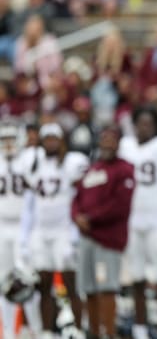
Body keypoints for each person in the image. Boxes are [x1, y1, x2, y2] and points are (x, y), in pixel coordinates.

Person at [19, 123, 89, 339]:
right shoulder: (32, 162)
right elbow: (29, 201)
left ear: (61, 141)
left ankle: (78, 329)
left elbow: (82, 194)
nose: (50, 142)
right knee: (44, 285)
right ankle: (46, 331)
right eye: (46, 138)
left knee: (71, 283)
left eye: (54, 138)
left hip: (64, 230)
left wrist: (76, 233)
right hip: (41, 231)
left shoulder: (71, 162)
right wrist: (26, 237)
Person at [118, 106, 157, 339]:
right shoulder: (125, 146)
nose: (145, 128)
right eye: (141, 123)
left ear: (155, 126)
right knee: (136, 278)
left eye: (149, 124)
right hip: (132, 220)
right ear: (134, 125)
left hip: (156, 220)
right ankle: (140, 328)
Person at [71, 125, 134, 339]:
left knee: (106, 287)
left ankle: (110, 333)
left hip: (108, 239)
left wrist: (90, 218)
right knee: (88, 288)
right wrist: (77, 216)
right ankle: (95, 333)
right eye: (104, 138)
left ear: (119, 143)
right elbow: (76, 198)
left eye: (112, 138)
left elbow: (120, 205)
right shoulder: (93, 169)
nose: (107, 142)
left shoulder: (124, 169)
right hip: (87, 237)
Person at [0, 122, 41, 339]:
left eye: (10, 139)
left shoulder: (29, 160)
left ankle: (34, 329)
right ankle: (7, 332)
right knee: (4, 281)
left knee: (27, 280)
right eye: (3, 140)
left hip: (25, 227)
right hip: (2, 226)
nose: (7, 145)